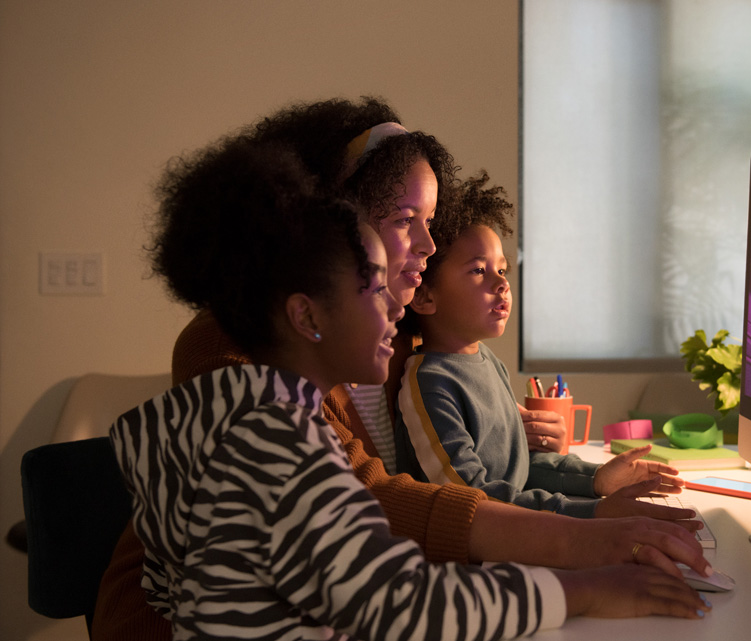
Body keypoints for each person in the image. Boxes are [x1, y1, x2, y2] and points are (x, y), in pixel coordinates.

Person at [92, 98, 711, 641]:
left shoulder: (393, 339)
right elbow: (371, 530)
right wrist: (579, 551)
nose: (429, 245)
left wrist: (509, 433)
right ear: (328, 234)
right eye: (403, 221)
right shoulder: (241, 368)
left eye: (430, 223)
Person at [396, 173, 682, 517]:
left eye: (502, 270)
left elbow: (520, 470)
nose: (501, 283)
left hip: (521, 528)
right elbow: (472, 498)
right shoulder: (428, 383)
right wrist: (589, 513)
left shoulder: (487, 361)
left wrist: (597, 480)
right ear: (425, 297)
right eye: (477, 271)